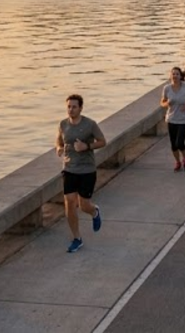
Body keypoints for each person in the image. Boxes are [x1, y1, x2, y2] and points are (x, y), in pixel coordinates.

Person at [56, 94, 105, 253]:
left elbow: (102, 141)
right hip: (69, 168)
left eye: (74, 107)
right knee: (69, 202)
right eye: (69, 106)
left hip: (87, 169)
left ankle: (94, 211)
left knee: (83, 205)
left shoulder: (90, 124)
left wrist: (86, 146)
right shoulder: (63, 124)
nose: (71, 109)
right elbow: (59, 140)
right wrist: (58, 148)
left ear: (81, 108)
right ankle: (77, 238)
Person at [160, 67, 185, 171]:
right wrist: (167, 103)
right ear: (170, 76)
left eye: (177, 74)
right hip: (171, 119)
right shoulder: (167, 88)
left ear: (181, 76)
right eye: (173, 74)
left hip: (183, 119)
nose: (175, 76)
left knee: (180, 143)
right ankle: (178, 162)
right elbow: (162, 103)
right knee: (173, 144)